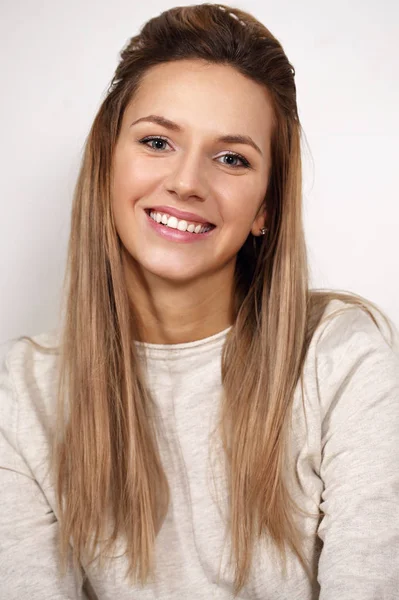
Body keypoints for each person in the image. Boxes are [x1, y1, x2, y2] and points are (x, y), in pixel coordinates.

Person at [1, 3, 398, 599]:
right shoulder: (21, 398)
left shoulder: (343, 358)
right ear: (107, 164)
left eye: (232, 158)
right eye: (158, 141)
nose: (187, 182)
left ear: (266, 207)